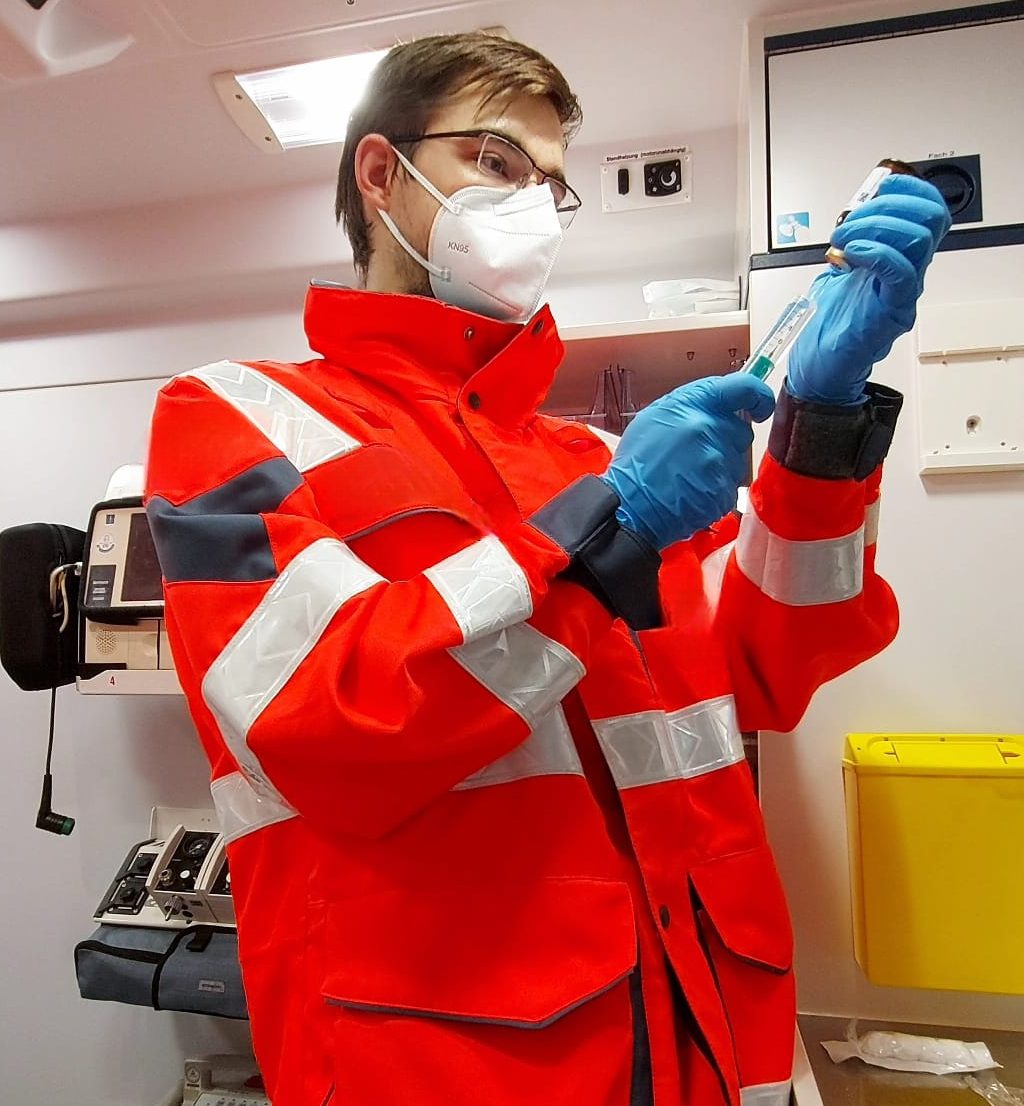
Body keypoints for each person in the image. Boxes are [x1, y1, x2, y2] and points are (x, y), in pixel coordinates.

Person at [144, 31, 950, 1106]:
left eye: (553, 183)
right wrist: (603, 540)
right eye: (496, 161)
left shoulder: (593, 459)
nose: (531, 203)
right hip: (452, 1060)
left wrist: (821, 423)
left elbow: (771, 660)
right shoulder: (236, 413)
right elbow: (321, 725)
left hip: (709, 1031)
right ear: (381, 172)